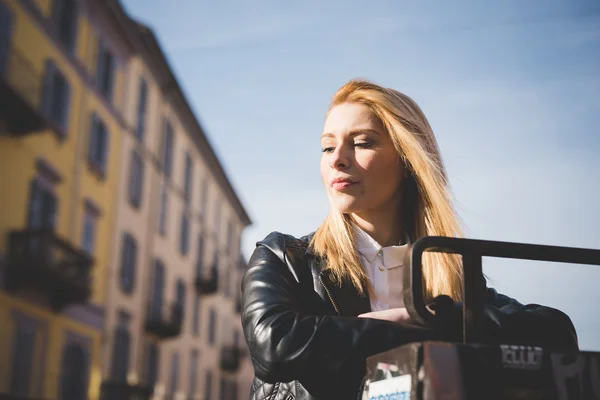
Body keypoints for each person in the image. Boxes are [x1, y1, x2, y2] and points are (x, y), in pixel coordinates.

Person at [241, 79, 578, 400]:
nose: (337, 158)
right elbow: (273, 345)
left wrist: (431, 317)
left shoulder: (447, 274)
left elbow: (555, 332)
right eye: (327, 146)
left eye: (361, 142)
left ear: (408, 161)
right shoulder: (285, 257)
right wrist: (421, 331)